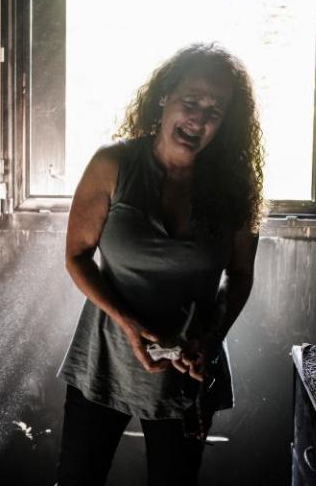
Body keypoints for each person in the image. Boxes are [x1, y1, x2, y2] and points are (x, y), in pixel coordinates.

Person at [56, 42, 264, 486]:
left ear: (226, 123)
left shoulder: (235, 188)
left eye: (215, 110)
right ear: (164, 97)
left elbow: (240, 275)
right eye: (191, 101)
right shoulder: (112, 165)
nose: (199, 118)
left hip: (188, 368)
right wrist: (127, 323)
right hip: (105, 357)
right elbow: (76, 257)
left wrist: (211, 337)